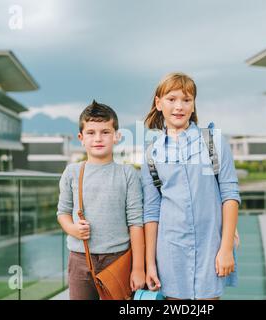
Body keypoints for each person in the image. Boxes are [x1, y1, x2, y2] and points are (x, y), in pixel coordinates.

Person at [142, 72, 241, 300]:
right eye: (172, 99)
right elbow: (151, 212)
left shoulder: (213, 141)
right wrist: (150, 265)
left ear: (194, 104)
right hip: (170, 252)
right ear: (158, 103)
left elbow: (230, 195)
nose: (179, 106)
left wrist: (225, 249)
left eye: (186, 100)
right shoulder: (151, 154)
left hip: (211, 249)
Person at [57, 100, 145, 300]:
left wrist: (138, 268)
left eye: (105, 132)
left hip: (118, 260)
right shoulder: (72, 172)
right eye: (91, 132)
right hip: (80, 259)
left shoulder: (127, 173)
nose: (98, 138)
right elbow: (62, 213)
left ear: (117, 137)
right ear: (81, 137)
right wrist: (72, 229)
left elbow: (136, 223)